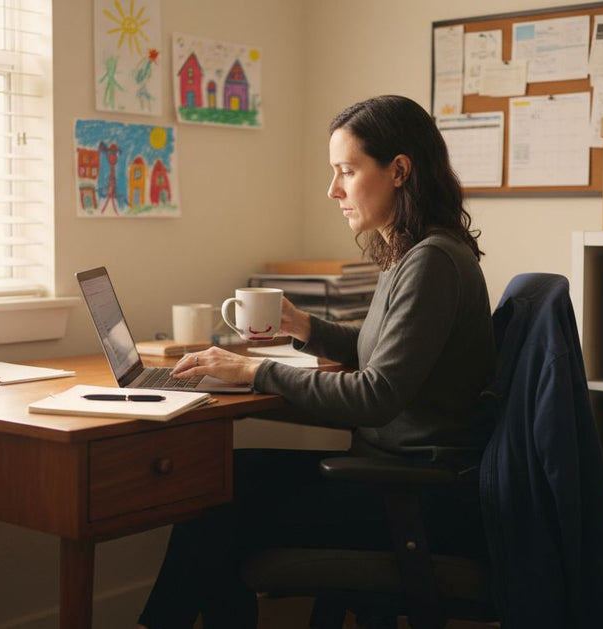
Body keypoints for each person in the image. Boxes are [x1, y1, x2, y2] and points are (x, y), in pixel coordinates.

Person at [136, 94, 496, 629]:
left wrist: (254, 370)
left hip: (417, 499)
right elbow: (384, 354)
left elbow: (377, 395)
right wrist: (304, 327)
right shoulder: (417, 253)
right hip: (399, 480)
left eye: (347, 172)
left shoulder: (431, 263)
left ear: (399, 170)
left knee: (215, 502)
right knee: (217, 482)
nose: (333, 190)